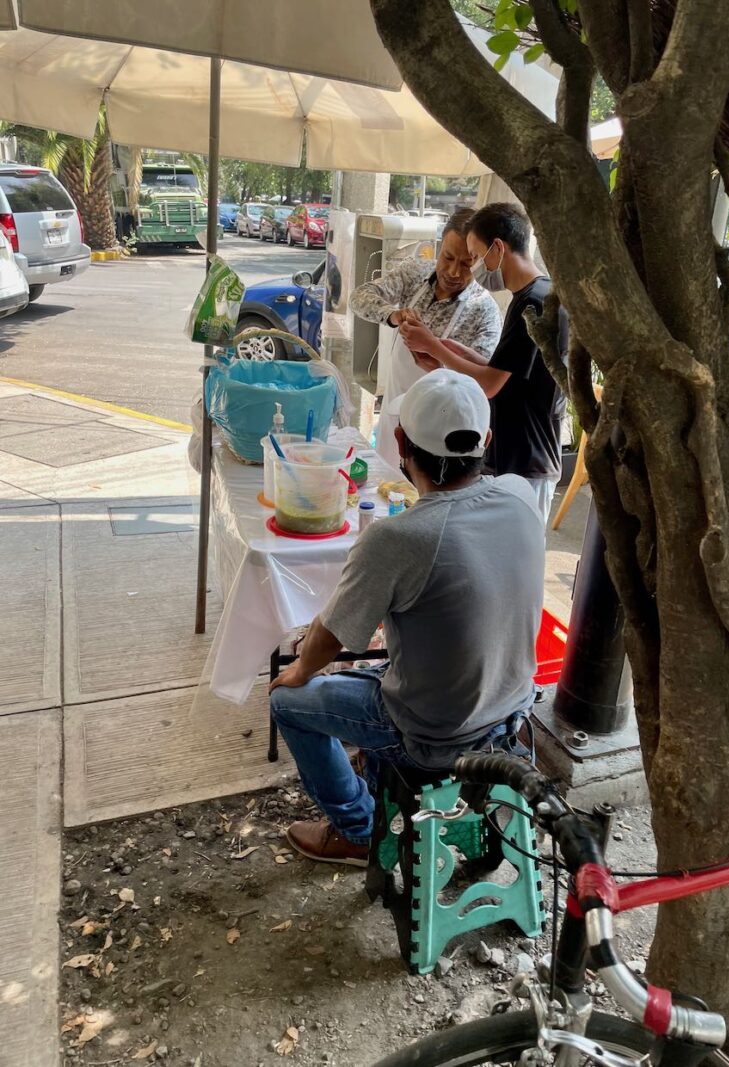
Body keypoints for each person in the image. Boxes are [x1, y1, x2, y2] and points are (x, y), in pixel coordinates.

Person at [269, 369, 545, 867]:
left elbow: (332, 636)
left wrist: (299, 672)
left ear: (399, 442)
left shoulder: (397, 538)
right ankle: (377, 783)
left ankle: (356, 830)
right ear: (486, 440)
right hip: (511, 708)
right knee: (380, 670)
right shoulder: (521, 495)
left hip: (434, 734)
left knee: (289, 700)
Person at [399, 202, 568, 523]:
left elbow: (491, 384)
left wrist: (434, 346)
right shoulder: (531, 295)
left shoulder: (535, 301)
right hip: (512, 458)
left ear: (498, 249)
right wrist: (451, 356)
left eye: (477, 256)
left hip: (525, 463)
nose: (475, 269)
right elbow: (506, 372)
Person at [350, 207, 502, 471]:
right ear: (439, 245)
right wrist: (393, 315)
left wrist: (439, 363)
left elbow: (480, 383)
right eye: (448, 257)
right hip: (394, 416)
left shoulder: (484, 310)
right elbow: (359, 297)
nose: (454, 272)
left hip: (440, 433)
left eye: (467, 263)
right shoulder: (414, 273)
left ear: (480, 261)